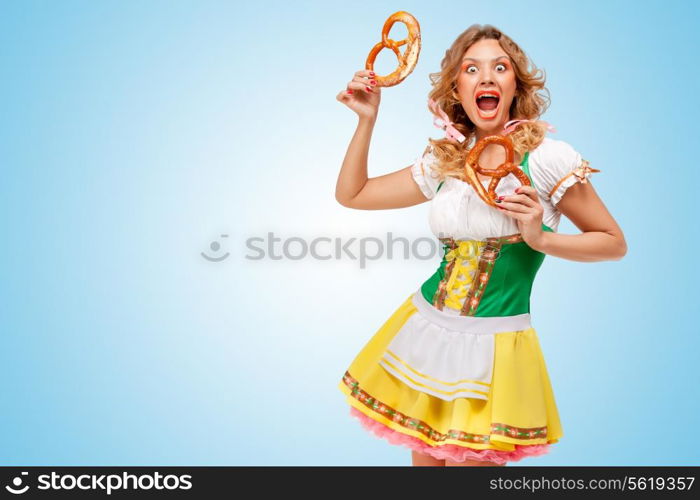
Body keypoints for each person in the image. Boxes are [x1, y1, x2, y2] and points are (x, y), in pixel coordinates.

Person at [334, 24, 627, 467]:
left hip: (496, 347)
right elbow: (352, 195)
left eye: (500, 67)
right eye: (472, 69)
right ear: (458, 87)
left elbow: (613, 243)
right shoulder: (447, 159)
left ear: (515, 86)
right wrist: (366, 120)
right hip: (428, 331)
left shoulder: (547, 158)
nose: (486, 77)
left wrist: (540, 237)